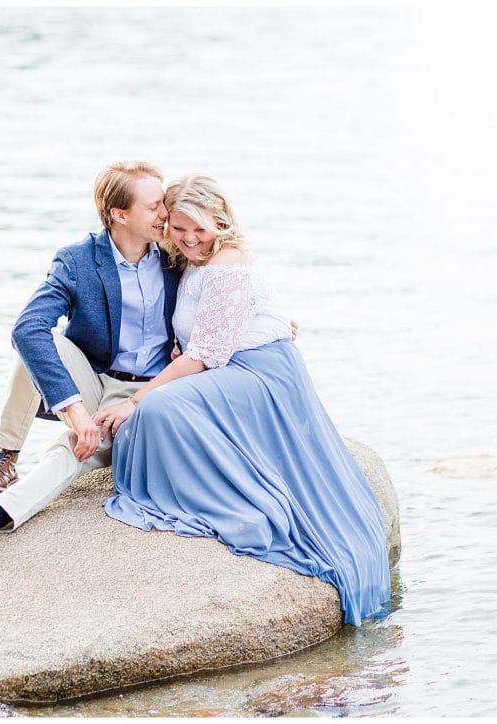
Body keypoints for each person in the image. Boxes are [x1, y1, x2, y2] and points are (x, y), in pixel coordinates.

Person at [94, 175, 390, 626]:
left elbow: (205, 356)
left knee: (156, 409)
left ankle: (222, 499)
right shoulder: (188, 260)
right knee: (159, 411)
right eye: (179, 228)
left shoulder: (228, 263)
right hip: (229, 365)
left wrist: (135, 399)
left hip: (258, 374)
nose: (190, 239)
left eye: (202, 229)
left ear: (222, 222)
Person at [0, 160, 180, 554]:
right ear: (120, 214)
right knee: (36, 337)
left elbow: (225, 284)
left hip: (150, 395)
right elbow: (27, 328)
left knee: (73, 448)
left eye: (163, 203)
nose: (165, 214)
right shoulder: (79, 260)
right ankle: (5, 457)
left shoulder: (177, 254)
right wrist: (76, 411)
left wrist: (268, 321)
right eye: (154, 206)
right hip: (95, 377)